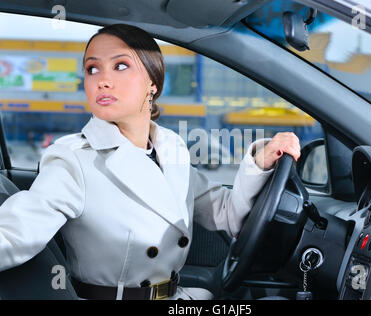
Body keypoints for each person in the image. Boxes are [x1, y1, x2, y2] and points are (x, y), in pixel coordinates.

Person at [0, 24, 300, 300]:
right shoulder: (73, 158)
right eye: (92, 69)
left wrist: (260, 162)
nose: (102, 80)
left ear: (152, 83)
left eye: (120, 66)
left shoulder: (172, 148)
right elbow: (17, 232)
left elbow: (226, 214)